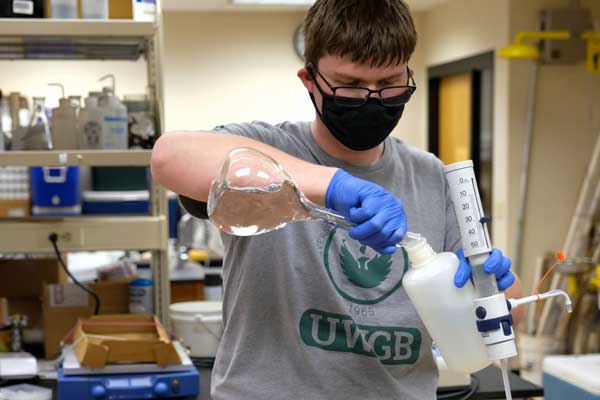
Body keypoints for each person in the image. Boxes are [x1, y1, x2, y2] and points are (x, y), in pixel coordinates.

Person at [151, 1, 523, 398]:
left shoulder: (431, 176)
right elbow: (169, 156)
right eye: (350, 86)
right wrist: (334, 185)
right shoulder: (266, 149)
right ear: (309, 81)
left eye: (389, 84)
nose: (372, 99)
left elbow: (498, 313)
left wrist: (496, 289)